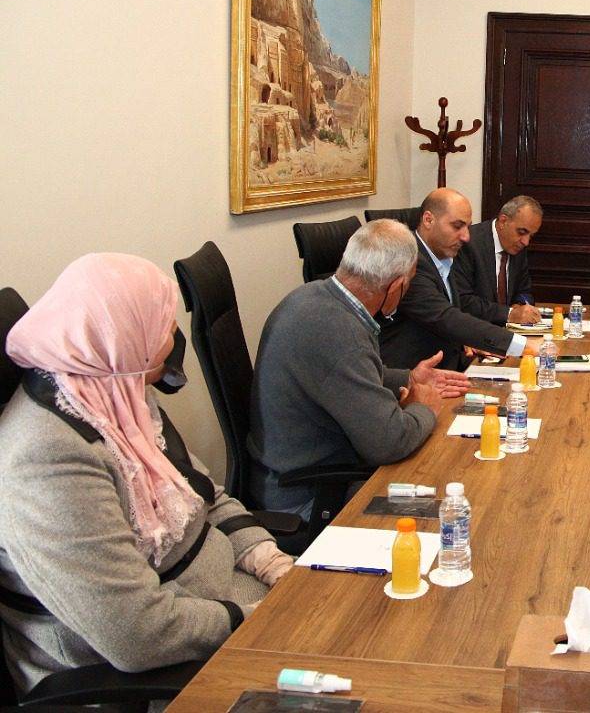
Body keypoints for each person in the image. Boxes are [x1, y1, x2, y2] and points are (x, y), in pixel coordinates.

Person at [0, 254, 294, 692]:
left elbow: (203, 494)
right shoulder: (47, 460)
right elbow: (135, 633)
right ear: (121, 336)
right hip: (149, 670)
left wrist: (269, 560)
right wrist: (254, 619)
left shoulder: (115, 389)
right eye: (161, 324)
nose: (171, 335)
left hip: (221, 594)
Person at [250, 219, 468, 519]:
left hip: (297, 471)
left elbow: (343, 375)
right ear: (396, 286)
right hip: (308, 496)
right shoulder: (339, 332)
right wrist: (425, 408)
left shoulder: (312, 296)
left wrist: (408, 378)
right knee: (452, 506)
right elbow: (389, 442)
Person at [380, 189, 541, 371]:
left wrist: (469, 340)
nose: (466, 236)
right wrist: (521, 345)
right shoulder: (410, 261)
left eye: (467, 227)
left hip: (452, 361)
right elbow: (445, 317)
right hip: (415, 373)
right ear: (428, 220)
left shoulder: (443, 257)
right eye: (457, 226)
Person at [453, 194, 543, 326]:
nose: (526, 242)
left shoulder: (518, 247)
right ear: (503, 221)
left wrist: (520, 305)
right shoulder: (469, 243)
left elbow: (524, 290)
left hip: (508, 330)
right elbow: (463, 301)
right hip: (475, 330)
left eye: (531, 235)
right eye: (522, 232)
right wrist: (509, 314)